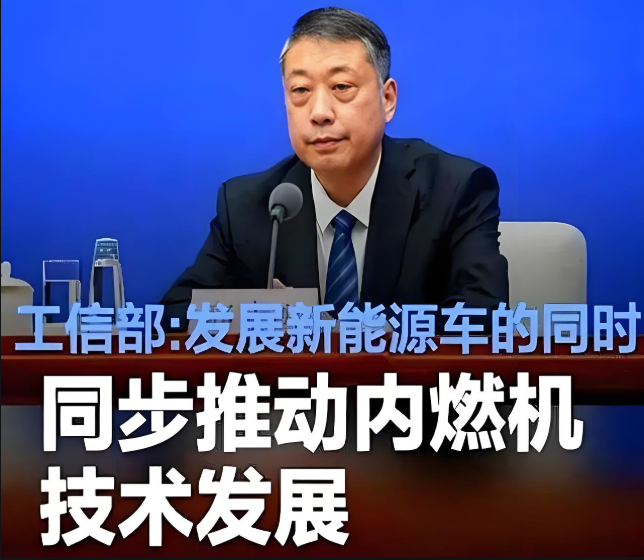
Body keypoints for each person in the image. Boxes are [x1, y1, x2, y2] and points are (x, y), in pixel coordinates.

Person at [161, 7, 508, 330]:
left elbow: (482, 319)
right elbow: (173, 314)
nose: (319, 112)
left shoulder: (454, 189)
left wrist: (347, 334)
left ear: (387, 99)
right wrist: (268, 319)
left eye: (341, 87)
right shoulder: (250, 205)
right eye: (300, 90)